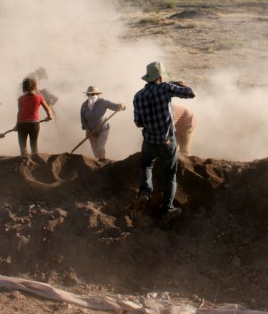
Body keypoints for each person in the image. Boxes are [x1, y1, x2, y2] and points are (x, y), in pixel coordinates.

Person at [133, 61, 195, 221]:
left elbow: (138, 123)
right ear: (160, 76)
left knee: (146, 164)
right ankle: (167, 209)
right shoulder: (166, 87)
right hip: (167, 140)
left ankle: (145, 192)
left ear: (148, 78)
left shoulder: (138, 96)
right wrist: (175, 84)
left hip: (149, 139)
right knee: (170, 175)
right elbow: (190, 93)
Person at [80, 86, 126, 161]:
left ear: (97, 94)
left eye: (93, 94)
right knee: (96, 153)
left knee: (100, 149)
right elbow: (83, 120)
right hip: (91, 133)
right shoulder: (84, 106)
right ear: (87, 95)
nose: (91, 96)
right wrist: (87, 129)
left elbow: (115, 106)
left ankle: (103, 164)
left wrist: (121, 106)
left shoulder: (103, 102)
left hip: (103, 129)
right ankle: (100, 166)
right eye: (89, 94)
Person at [17, 77, 53, 158]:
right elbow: (47, 109)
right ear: (35, 87)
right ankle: (33, 163)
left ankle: (24, 161)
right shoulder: (39, 97)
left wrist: (17, 124)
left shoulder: (20, 99)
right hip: (34, 123)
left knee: (22, 146)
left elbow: (19, 113)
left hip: (21, 124)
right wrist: (49, 116)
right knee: (34, 144)